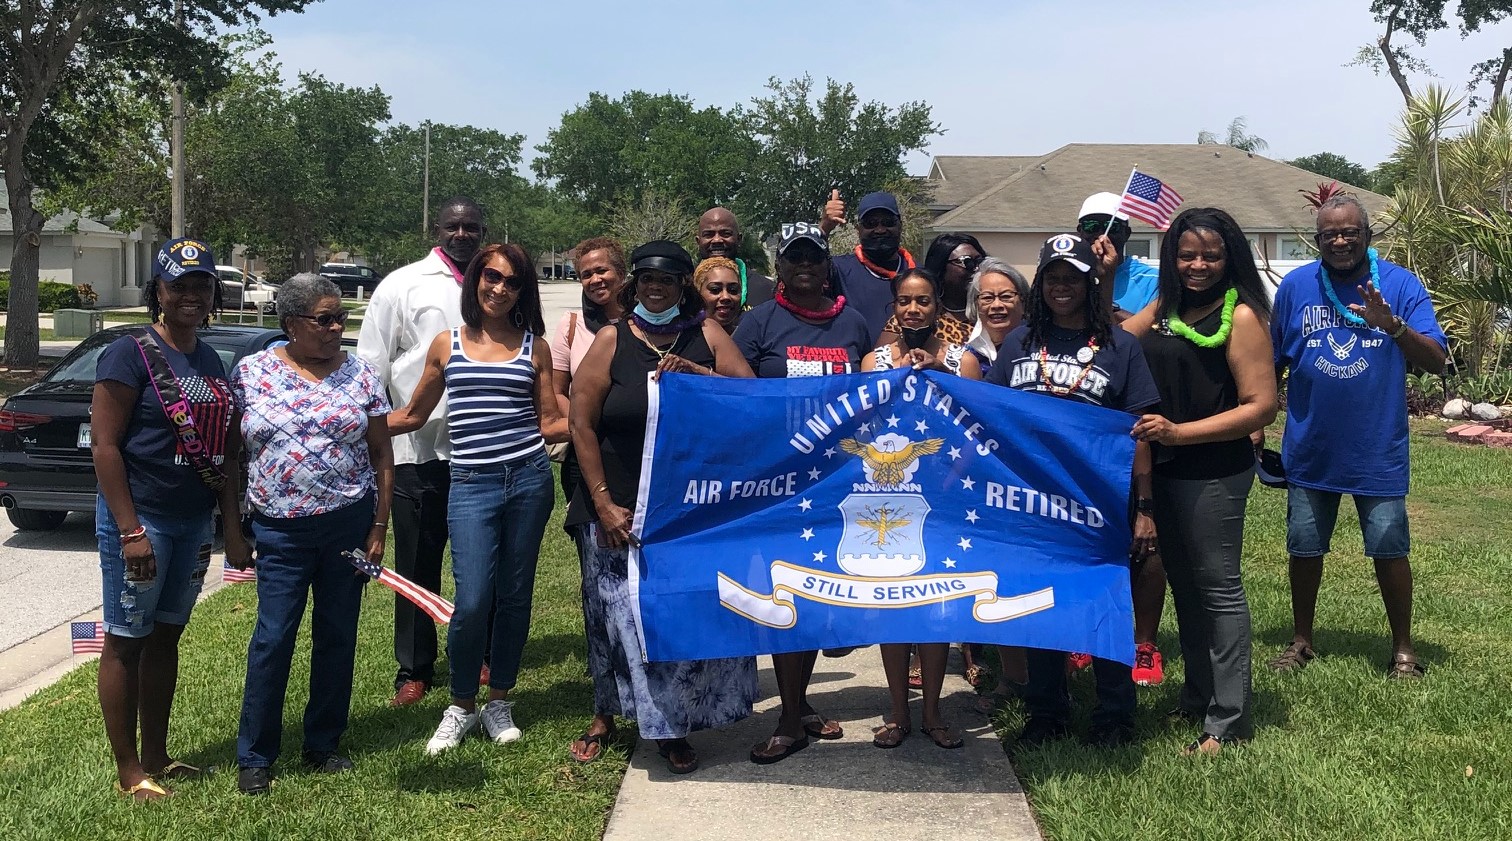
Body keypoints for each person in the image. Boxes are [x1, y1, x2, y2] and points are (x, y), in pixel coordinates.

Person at [566, 240, 758, 774]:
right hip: (617, 505)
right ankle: (607, 713)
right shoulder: (611, 340)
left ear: (682, 288)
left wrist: (699, 376)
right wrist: (603, 504)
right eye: (648, 279)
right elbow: (581, 423)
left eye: (668, 280)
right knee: (613, 617)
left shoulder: (707, 336)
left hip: (686, 509)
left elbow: (752, 400)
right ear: (635, 284)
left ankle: (670, 725)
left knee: (674, 614)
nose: (657, 287)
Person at [387, 244, 569, 754]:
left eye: (512, 282)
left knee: (514, 596)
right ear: (475, 280)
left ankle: (499, 700)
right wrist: (349, 422)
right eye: (491, 277)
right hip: (470, 483)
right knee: (471, 601)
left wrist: (616, 414)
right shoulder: (447, 344)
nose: (499, 288)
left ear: (522, 291)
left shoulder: (536, 348)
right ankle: (460, 704)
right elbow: (413, 415)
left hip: (529, 480)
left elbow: (550, 421)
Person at [985, 233, 1159, 749]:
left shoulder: (1120, 345)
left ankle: (1114, 714)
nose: (1063, 287)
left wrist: (1145, 508)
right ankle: (1047, 712)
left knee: (1103, 600)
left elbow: (1140, 427)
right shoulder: (1019, 341)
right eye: (1054, 277)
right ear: (1042, 284)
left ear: (1091, 282)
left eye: (1074, 277)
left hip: (1100, 496)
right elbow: (985, 411)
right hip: (1031, 498)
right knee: (1040, 602)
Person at [1268, 195, 1447, 679]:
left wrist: (1392, 326)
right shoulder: (1297, 287)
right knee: (1304, 544)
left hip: (1376, 447)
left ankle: (1403, 650)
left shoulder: (1399, 284)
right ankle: (1302, 639)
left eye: (1350, 232)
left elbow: (1436, 359)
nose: (1341, 240)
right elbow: (1270, 363)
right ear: (1318, 239)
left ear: (1368, 235)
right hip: (1311, 445)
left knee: (1390, 543)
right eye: (1330, 234)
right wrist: (1255, 424)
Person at [91, 237, 244, 800]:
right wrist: (130, 530)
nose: (190, 295)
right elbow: (105, 447)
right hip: (143, 518)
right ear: (157, 290)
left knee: (166, 638)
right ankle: (129, 769)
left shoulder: (209, 358)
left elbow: (225, 455)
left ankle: (158, 754)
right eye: (178, 284)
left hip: (192, 520)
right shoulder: (128, 354)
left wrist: (230, 526)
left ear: (213, 293)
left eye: (201, 285)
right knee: (126, 641)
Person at [1121, 208, 1278, 755]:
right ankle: (1198, 695)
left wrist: (1179, 433)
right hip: (1161, 469)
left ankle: (1228, 719)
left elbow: (1261, 407)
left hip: (1213, 471)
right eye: (1187, 254)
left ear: (1230, 256)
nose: (1198, 265)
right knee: (1184, 588)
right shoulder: (1166, 306)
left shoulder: (1242, 318)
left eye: (1211, 254)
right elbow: (1116, 341)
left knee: (1218, 590)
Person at [232, 274, 394, 794]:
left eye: (339, 318)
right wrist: (235, 523)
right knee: (273, 637)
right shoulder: (251, 373)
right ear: (291, 324)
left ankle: (323, 743)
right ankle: (256, 754)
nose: (335, 328)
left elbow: (382, 455)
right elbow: (233, 456)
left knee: (337, 635)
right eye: (323, 319)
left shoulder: (362, 375)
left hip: (347, 524)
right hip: (279, 532)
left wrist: (378, 526)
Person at [733, 222, 872, 763]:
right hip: (780, 483)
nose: (805, 266)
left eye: (814, 257)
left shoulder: (853, 323)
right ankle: (789, 718)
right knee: (787, 591)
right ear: (780, 267)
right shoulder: (759, 322)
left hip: (838, 482)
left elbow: (874, 389)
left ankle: (799, 702)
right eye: (794, 258)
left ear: (826, 263)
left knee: (818, 593)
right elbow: (731, 391)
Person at [358, 196, 483, 706]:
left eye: (471, 226)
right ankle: (414, 668)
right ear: (438, 228)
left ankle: (478, 653)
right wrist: (373, 439)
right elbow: (371, 364)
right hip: (416, 448)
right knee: (416, 562)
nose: (462, 234)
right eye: (453, 225)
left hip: (480, 448)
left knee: (480, 563)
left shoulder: (498, 283)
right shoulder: (403, 283)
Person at [860, 267, 980, 750]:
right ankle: (897, 713)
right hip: (890, 495)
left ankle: (932, 713)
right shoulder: (874, 360)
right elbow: (866, 426)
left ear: (938, 308)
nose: (914, 309)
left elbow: (974, 433)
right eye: (905, 301)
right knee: (894, 606)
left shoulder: (961, 359)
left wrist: (938, 376)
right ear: (894, 306)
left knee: (934, 606)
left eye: (924, 301)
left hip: (946, 497)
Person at [550, 237, 629, 503]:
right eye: (586, 274)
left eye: (602, 271)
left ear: (621, 272)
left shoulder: (644, 322)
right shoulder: (571, 325)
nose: (595, 280)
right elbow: (557, 391)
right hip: (584, 450)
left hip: (633, 449)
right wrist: (582, 424)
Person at [819, 190, 916, 342]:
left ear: (900, 226)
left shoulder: (918, 275)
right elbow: (800, 268)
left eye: (888, 222)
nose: (880, 229)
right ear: (859, 230)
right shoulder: (839, 270)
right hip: (856, 363)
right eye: (871, 223)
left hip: (909, 364)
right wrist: (824, 228)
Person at [874, 234, 982, 347]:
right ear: (941, 267)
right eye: (967, 262)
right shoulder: (912, 317)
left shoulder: (990, 314)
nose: (976, 268)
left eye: (979, 261)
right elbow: (880, 361)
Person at [1078, 192, 1161, 319]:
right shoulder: (1070, 276)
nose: (1102, 236)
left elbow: (1157, 334)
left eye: (1112, 227)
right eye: (1091, 226)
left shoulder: (1152, 280)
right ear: (1080, 232)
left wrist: (1108, 309)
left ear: (1127, 233)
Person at [696, 206, 775, 307]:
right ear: (698, 242)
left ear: (739, 239)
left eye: (725, 234)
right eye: (709, 234)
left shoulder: (766, 289)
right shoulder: (685, 288)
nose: (717, 240)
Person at [964, 257, 1030, 377]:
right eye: (987, 298)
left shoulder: (1041, 352)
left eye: (1006, 296)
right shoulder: (963, 356)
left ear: (1023, 301)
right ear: (975, 305)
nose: (996, 305)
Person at [695, 256, 744, 333]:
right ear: (698, 293)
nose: (725, 297)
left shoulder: (752, 338)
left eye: (733, 290)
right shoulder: (685, 339)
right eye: (715, 290)